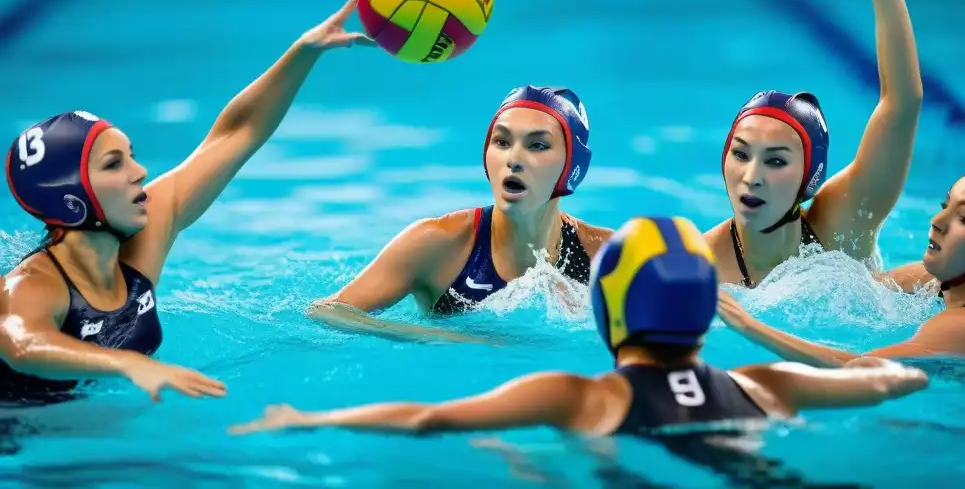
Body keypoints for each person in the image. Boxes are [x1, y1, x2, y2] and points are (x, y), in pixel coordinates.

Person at [233, 216, 927, 442]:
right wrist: (760, 333)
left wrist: (308, 419)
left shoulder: (588, 398)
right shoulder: (765, 385)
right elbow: (902, 378)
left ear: (607, 312)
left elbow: (424, 418)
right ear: (707, 316)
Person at [0, 0, 373, 404]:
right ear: (74, 203)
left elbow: (236, 134)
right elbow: (22, 344)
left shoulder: (143, 233)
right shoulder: (34, 286)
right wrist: (129, 364)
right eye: (113, 165)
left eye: (131, 155)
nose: (139, 172)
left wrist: (304, 52)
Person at [705, 0, 925, 287]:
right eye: (741, 154)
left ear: (811, 176)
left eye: (775, 161)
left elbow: (903, 103)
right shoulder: (701, 266)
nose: (751, 177)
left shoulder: (842, 224)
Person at [308, 85, 613, 343]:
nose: (514, 159)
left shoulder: (605, 254)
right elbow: (328, 312)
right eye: (502, 142)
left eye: (537, 145)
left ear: (572, 166)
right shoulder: (438, 244)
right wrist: (451, 339)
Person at [717, 156, 965, 364]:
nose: (937, 220)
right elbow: (852, 284)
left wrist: (749, 326)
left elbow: (863, 370)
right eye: (945, 204)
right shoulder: (935, 282)